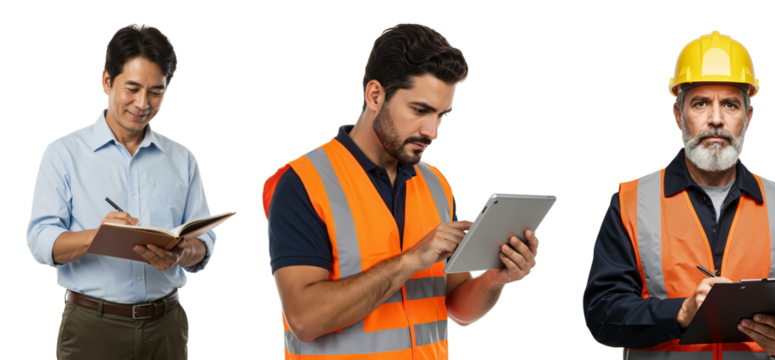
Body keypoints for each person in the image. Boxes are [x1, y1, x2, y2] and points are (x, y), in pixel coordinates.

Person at [259, 22, 541, 359]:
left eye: (442, 116)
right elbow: (305, 319)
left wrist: (496, 278)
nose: (432, 131)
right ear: (375, 95)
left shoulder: (437, 184)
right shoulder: (302, 182)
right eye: (420, 110)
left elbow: (457, 308)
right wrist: (411, 260)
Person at [582, 30, 775, 359]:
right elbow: (601, 315)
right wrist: (680, 314)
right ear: (677, 116)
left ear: (749, 118)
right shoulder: (630, 202)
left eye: (730, 104)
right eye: (701, 103)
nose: (716, 119)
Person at [25, 23, 217, 360]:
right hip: (91, 328)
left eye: (156, 91)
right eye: (132, 88)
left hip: (167, 328)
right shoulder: (63, 153)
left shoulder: (183, 159)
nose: (143, 103)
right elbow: (40, 241)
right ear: (106, 81)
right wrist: (97, 237)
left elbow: (205, 243)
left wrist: (181, 253)